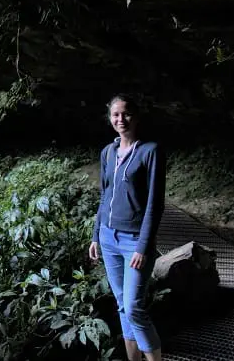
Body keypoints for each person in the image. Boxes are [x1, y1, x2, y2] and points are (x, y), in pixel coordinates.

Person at [88, 94, 165, 361]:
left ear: (137, 116)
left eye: (127, 114)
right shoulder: (107, 153)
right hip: (108, 239)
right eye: (115, 115)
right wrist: (96, 235)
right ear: (110, 118)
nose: (121, 119)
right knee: (122, 306)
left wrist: (144, 246)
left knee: (134, 307)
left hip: (134, 242)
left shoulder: (150, 151)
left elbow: (155, 204)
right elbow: (104, 195)